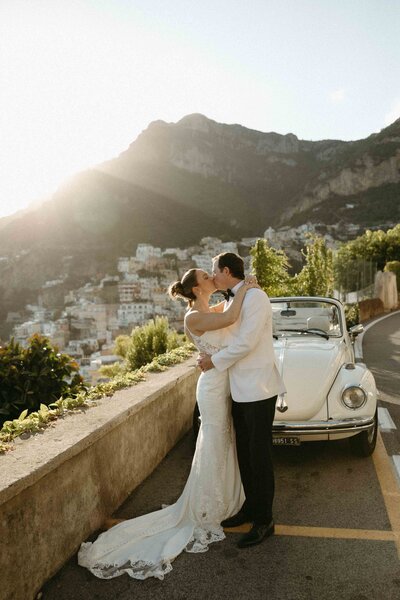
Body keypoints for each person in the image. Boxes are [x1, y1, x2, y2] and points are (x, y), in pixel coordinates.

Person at [77, 268, 257, 580]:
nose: (211, 275)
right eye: (206, 275)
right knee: (215, 439)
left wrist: (242, 290)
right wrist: (246, 289)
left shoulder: (206, 308)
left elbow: (229, 311)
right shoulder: (192, 317)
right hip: (213, 386)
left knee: (223, 440)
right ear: (197, 287)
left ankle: (225, 499)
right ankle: (208, 507)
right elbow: (230, 318)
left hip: (223, 383)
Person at [198, 252, 286, 549]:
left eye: (214, 271)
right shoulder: (240, 296)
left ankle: (265, 521)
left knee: (259, 456)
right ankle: (250, 507)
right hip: (238, 387)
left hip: (259, 387)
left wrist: (214, 361)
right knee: (245, 454)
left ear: (225, 270)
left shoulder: (256, 298)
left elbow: (247, 342)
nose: (212, 276)